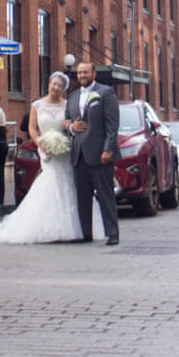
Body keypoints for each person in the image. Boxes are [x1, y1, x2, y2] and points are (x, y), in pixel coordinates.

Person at [0, 73, 89, 243]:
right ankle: (46, 225)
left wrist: (68, 128)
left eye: (59, 86)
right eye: (54, 84)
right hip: (46, 149)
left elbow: (70, 124)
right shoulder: (37, 105)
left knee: (66, 182)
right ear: (49, 83)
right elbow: (32, 128)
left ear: (63, 89)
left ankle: (70, 227)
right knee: (50, 180)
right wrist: (40, 143)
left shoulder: (67, 105)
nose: (55, 87)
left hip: (63, 149)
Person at [64, 61, 120, 245]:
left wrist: (108, 149)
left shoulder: (106, 93)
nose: (82, 76)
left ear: (94, 73)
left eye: (85, 72)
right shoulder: (71, 96)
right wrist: (71, 127)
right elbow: (66, 122)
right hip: (79, 154)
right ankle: (85, 233)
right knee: (82, 196)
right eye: (79, 73)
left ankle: (112, 233)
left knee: (105, 195)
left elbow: (112, 125)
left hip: (100, 154)